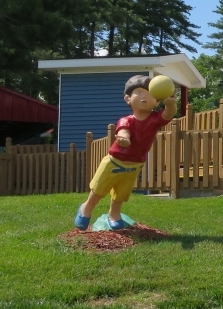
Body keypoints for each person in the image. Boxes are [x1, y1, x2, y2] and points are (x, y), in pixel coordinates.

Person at [74, 75, 177, 230]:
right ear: (128, 99)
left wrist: (170, 105)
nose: (144, 96)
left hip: (135, 164)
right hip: (114, 161)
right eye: (139, 92)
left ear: (156, 101)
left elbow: (168, 114)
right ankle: (86, 208)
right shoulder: (127, 120)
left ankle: (114, 214)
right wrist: (123, 138)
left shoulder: (155, 119)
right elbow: (123, 131)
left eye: (149, 93)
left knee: (121, 194)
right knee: (99, 189)